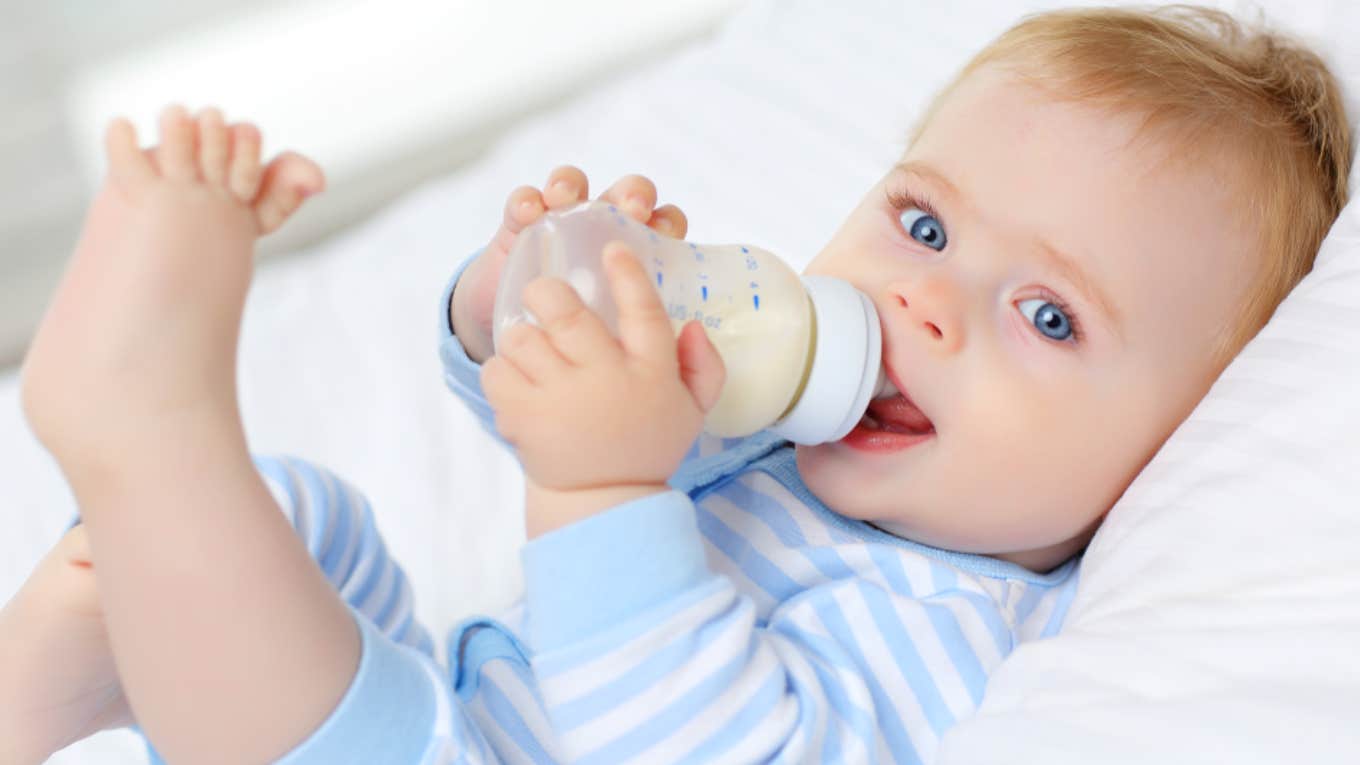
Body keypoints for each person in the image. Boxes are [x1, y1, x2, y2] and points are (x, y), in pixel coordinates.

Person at [1, 5, 1350, 763]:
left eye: (1047, 314)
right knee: (296, 523)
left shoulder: (957, 630)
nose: (922, 300)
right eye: (926, 226)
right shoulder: (780, 435)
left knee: (275, 623)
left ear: (1175, 443)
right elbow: (518, 403)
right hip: (459, 695)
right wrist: (518, 303)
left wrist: (603, 484)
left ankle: (149, 428)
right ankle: (64, 680)